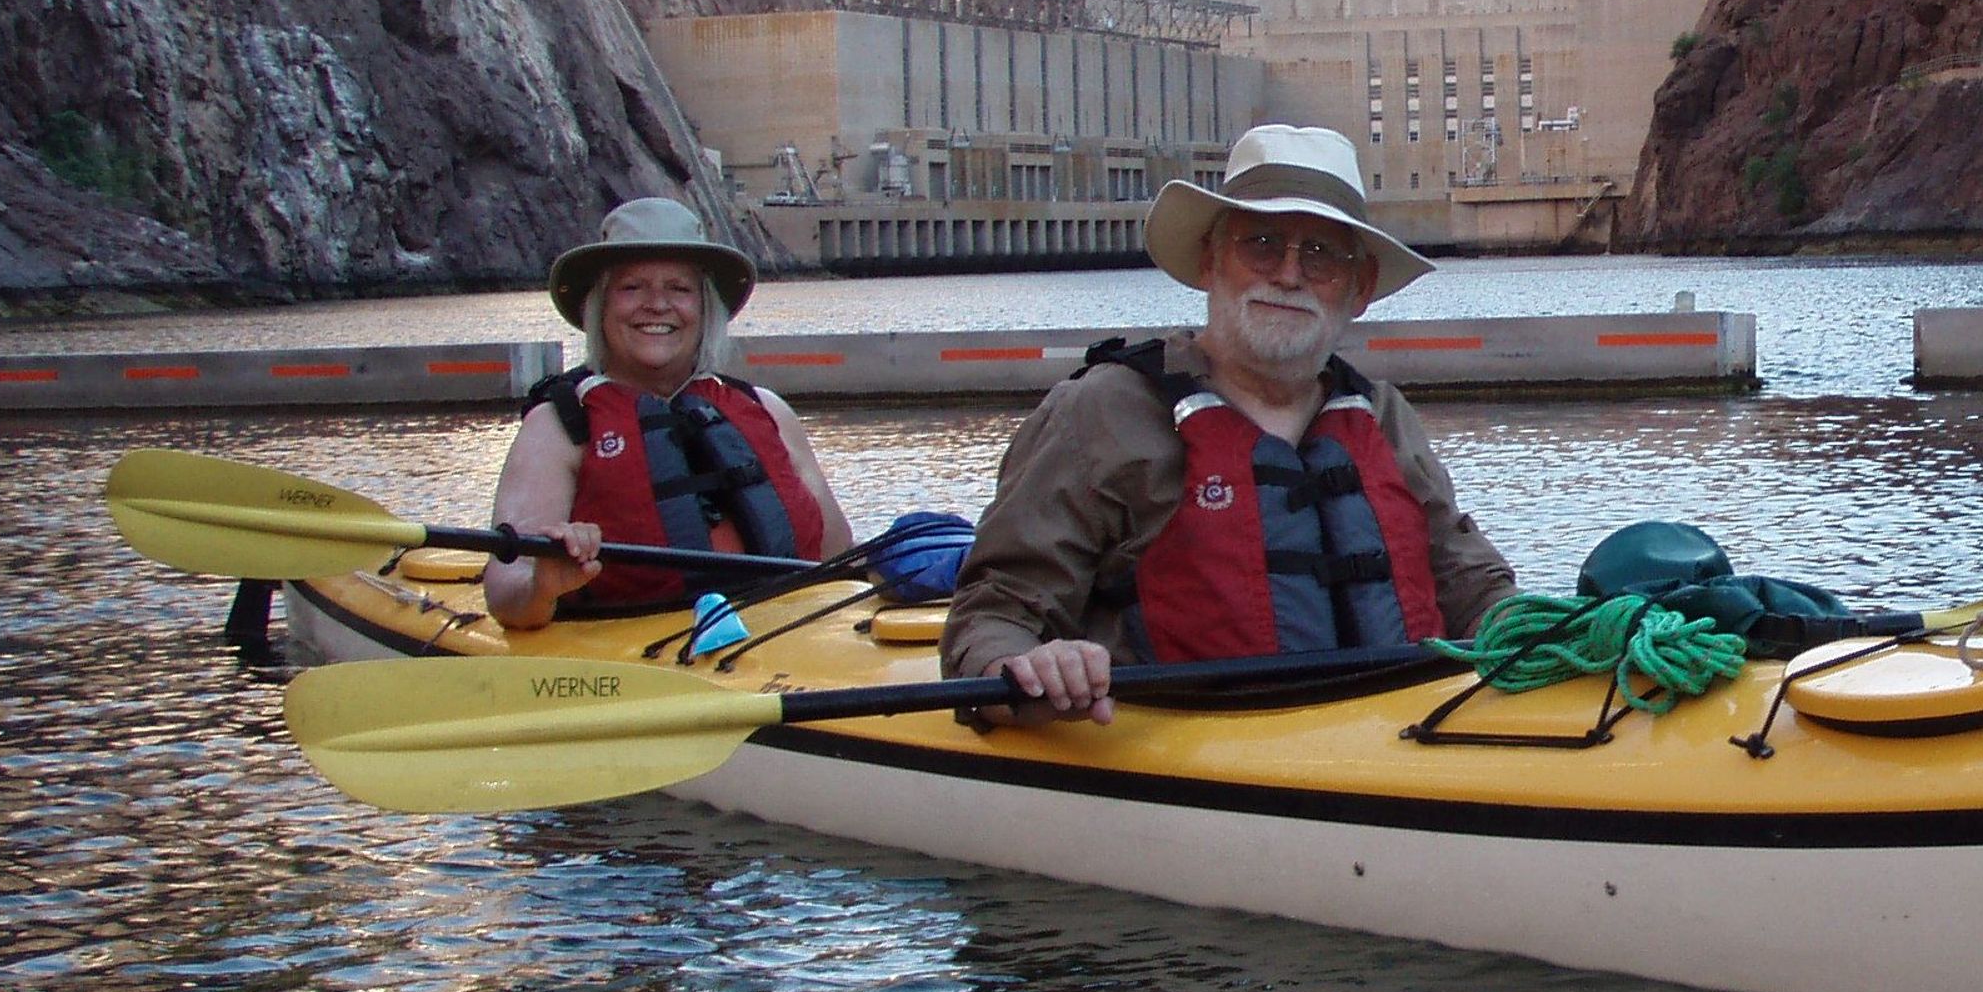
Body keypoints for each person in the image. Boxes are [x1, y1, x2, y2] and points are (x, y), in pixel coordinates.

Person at [942, 125, 1515, 721]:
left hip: (1385, 737)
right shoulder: (1100, 411)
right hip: (1182, 747)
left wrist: (1532, 627)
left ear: (1360, 287)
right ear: (1210, 261)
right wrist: (1023, 667)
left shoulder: (1383, 417)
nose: (1289, 275)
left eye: (1321, 255)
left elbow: (1468, 582)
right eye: (1261, 243)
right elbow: (995, 611)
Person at [482, 198, 857, 629]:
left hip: (785, 635)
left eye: (678, 289)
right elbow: (507, 595)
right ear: (600, 309)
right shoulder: (560, 427)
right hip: (638, 656)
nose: (657, 305)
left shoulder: (766, 409)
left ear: (704, 309)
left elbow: (839, 556)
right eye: (632, 288)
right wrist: (544, 587)